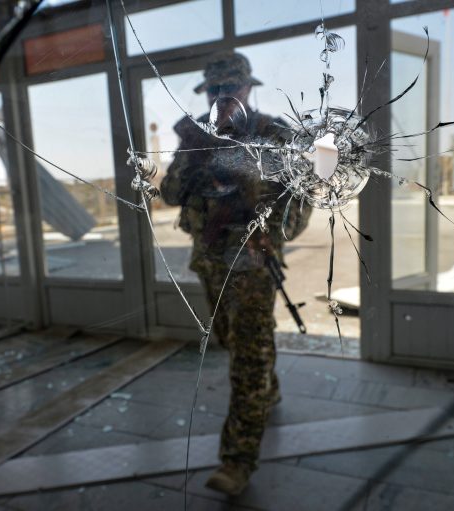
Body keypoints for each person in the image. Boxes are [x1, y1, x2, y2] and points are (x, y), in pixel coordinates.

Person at [160, 52, 311, 495]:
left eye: (231, 89)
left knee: (248, 357)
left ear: (249, 88)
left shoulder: (273, 134)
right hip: (209, 261)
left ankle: (237, 461)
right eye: (214, 90)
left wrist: (267, 230)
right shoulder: (195, 136)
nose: (223, 98)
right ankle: (270, 387)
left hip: (251, 265)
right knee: (233, 339)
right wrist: (191, 149)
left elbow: (299, 206)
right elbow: (170, 195)